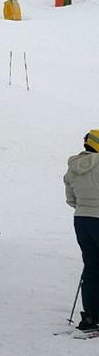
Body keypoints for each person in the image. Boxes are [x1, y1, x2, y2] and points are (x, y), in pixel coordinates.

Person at [64, 128, 99, 332]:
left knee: (91, 266)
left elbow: (70, 199)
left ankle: (90, 316)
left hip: (81, 220)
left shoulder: (73, 165)